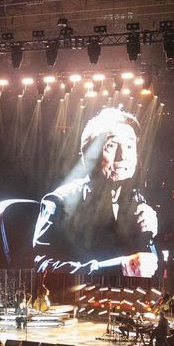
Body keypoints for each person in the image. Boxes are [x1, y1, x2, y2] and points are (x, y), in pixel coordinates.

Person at [32, 107, 158, 278]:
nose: (123, 156)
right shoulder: (59, 201)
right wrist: (117, 267)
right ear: (88, 156)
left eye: (129, 145)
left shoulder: (134, 200)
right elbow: (42, 265)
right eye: (112, 146)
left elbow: (150, 269)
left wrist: (149, 235)